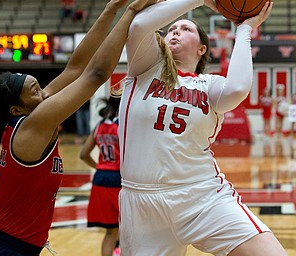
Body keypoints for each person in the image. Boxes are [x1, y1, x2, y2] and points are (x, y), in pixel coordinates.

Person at [0, 0, 156, 254]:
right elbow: (95, 74)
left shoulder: (30, 115)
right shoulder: (32, 126)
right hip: (3, 249)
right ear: (16, 109)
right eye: (36, 91)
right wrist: (130, 13)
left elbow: (75, 68)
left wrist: (110, 10)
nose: (46, 94)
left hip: (9, 245)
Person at [118, 0, 287, 255]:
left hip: (201, 194)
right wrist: (202, 0)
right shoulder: (145, 67)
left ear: (201, 49)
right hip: (142, 203)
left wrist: (244, 29)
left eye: (185, 29)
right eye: (172, 28)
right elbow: (139, 24)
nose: (175, 31)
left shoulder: (209, 85)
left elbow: (238, 88)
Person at [80, 96, 121, 256]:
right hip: (118, 179)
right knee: (122, 230)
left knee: (110, 231)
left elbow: (83, 154)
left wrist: (99, 167)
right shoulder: (122, 126)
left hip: (100, 178)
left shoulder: (99, 126)